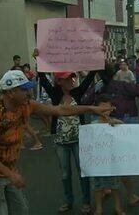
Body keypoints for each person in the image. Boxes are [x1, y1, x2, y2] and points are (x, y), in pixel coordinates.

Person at [0, 70, 114, 215]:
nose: (29, 93)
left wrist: (91, 109)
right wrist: (11, 174)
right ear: (10, 92)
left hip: (7, 170)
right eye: (24, 89)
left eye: (28, 88)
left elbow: (60, 110)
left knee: (21, 210)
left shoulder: (27, 105)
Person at [83, 63, 139, 207]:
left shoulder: (98, 88)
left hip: (107, 127)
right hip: (119, 125)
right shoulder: (119, 86)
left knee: (105, 161)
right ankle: (129, 196)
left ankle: (107, 191)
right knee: (122, 164)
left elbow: (85, 103)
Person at [38, 68, 97, 213]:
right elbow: (43, 79)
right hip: (60, 141)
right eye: (67, 78)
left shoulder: (78, 92)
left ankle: (86, 202)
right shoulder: (55, 94)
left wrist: (97, 59)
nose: (71, 80)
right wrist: (37, 60)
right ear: (59, 81)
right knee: (65, 174)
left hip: (79, 140)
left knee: (82, 171)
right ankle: (68, 201)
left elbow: (90, 77)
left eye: (72, 77)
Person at [91, 94, 125, 215]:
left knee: (115, 185)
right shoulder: (93, 125)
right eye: (102, 109)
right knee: (98, 186)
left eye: (108, 108)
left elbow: (127, 134)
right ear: (96, 109)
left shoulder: (116, 123)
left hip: (113, 161)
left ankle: (118, 207)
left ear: (112, 109)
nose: (105, 111)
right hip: (98, 161)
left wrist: (119, 123)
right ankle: (99, 208)